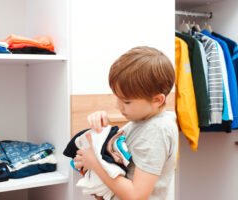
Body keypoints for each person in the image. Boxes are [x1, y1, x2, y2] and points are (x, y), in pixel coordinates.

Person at [74, 46, 178, 200]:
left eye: (126, 102)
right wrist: (104, 132)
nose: (117, 106)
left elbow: (137, 196)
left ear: (157, 100)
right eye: (117, 98)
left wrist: (95, 163)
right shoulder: (142, 121)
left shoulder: (156, 130)